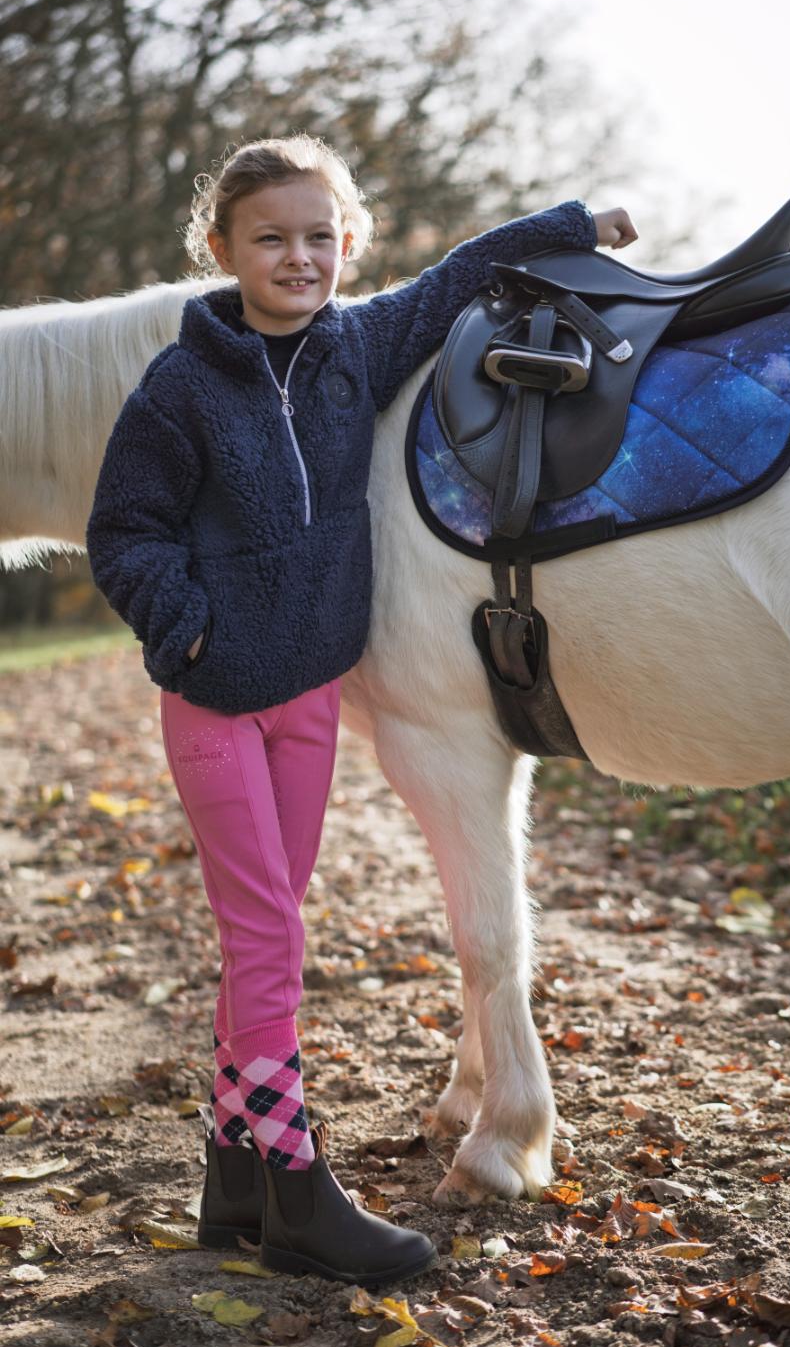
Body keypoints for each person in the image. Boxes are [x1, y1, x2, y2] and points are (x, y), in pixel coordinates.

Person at [85, 133, 638, 1285]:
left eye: (320, 236)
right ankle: (291, 1183)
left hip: (307, 702)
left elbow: (459, 275)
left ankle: (231, 1177)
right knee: (269, 939)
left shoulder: (359, 344)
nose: (300, 257)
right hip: (216, 701)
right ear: (222, 248)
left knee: (272, 928)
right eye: (270, 238)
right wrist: (184, 626)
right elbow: (123, 528)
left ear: (349, 244)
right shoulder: (181, 385)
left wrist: (575, 225)